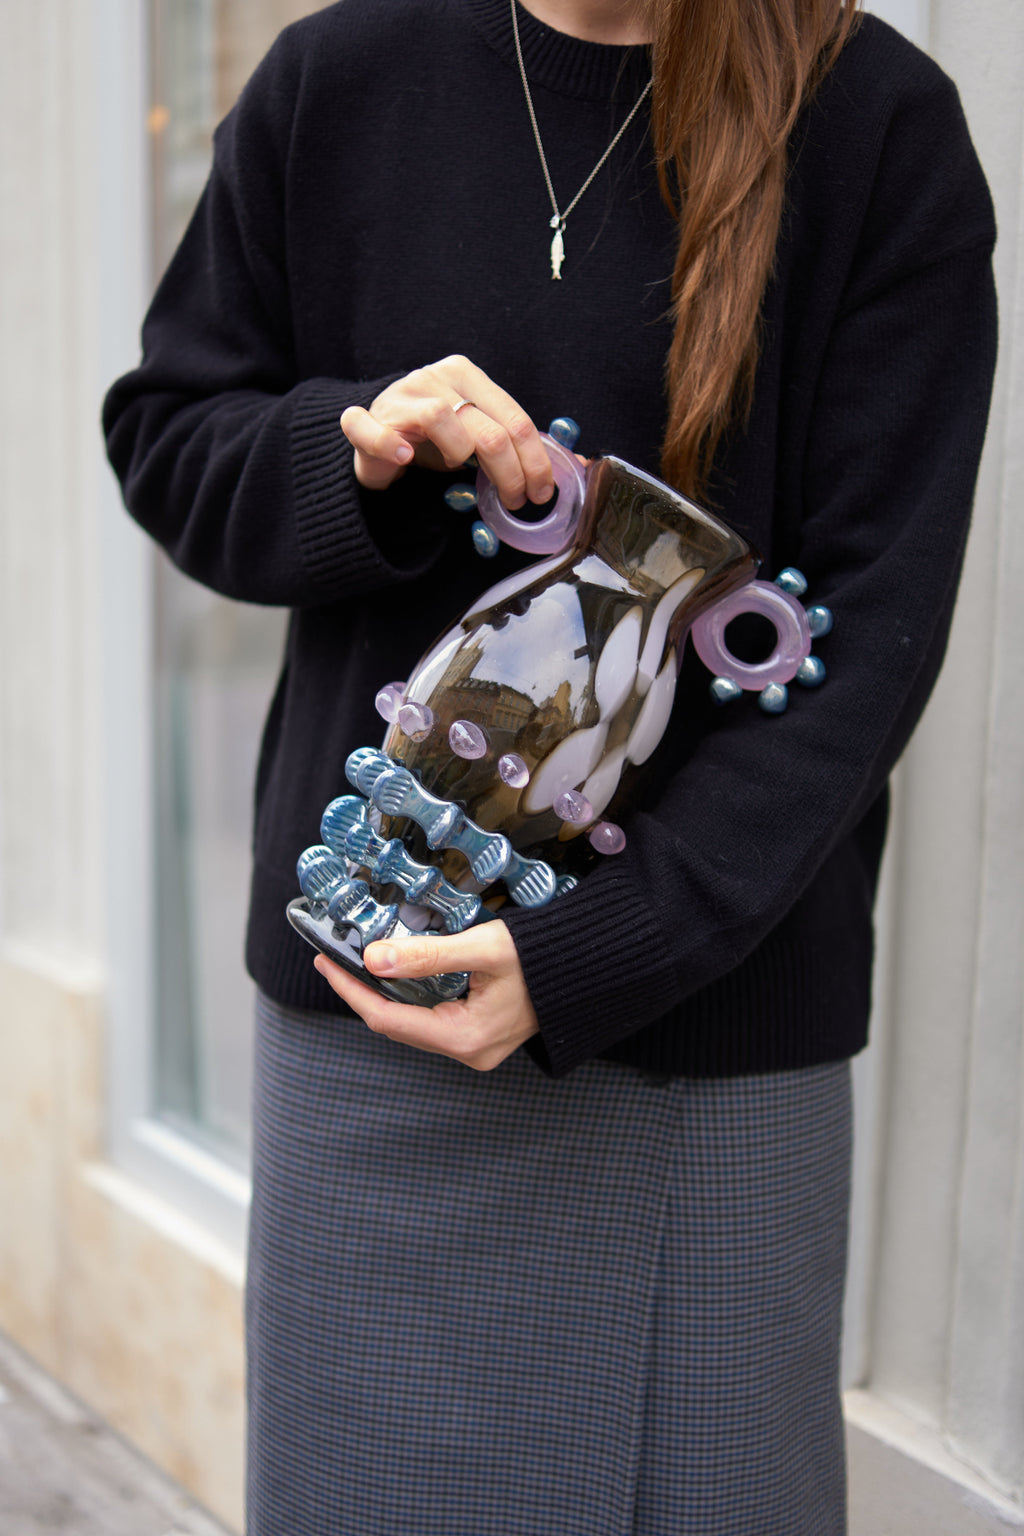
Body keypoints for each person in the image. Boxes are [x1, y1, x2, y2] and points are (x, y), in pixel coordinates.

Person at [103, 0, 997, 1530]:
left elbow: (867, 643)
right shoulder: (338, 76)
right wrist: (359, 454)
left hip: (708, 1066)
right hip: (375, 1009)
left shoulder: (874, 124)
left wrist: (599, 949)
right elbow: (172, 437)